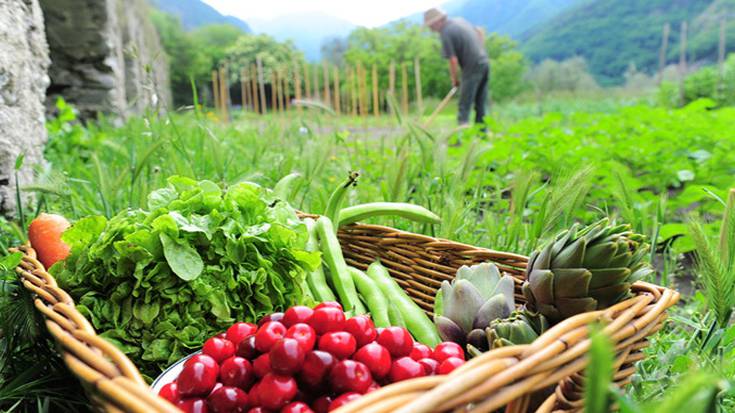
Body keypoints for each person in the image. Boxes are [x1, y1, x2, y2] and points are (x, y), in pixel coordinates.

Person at [424, 8, 490, 126]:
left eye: (431, 26)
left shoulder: (446, 32)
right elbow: (479, 32)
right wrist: (480, 50)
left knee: (464, 104)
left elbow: (453, 60)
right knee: (480, 102)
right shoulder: (460, 21)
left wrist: (455, 80)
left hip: (471, 65)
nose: (431, 29)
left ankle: (460, 138)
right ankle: (482, 135)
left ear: (437, 21)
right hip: (484, 61)